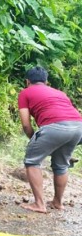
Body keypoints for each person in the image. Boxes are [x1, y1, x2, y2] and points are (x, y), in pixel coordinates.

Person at [18, 66, 82, 213]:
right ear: (46, 82)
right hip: (78, 127)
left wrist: (34, 139)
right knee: (61, 165)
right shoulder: (60, 93)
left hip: (55, 127)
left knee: (32, 161)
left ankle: (39, 204)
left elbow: (26, 125)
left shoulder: (25, 92)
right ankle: (57, 203)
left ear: (27, 81)